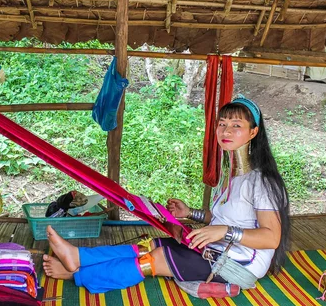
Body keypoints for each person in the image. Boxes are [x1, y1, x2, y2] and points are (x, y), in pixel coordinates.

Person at [43, 96, 290, 295]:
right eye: (222, 123)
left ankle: (77, 274)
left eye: (237, 125)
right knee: (148, 245)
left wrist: (224, 232)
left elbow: (271, 238)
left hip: (238, 266)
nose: (226, 130)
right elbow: (222, 216)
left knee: (156, 258)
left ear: (253, 132)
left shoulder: (262, 182)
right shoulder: (230, 177)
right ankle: (78, 257)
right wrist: (190, 213)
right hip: (216, 250)